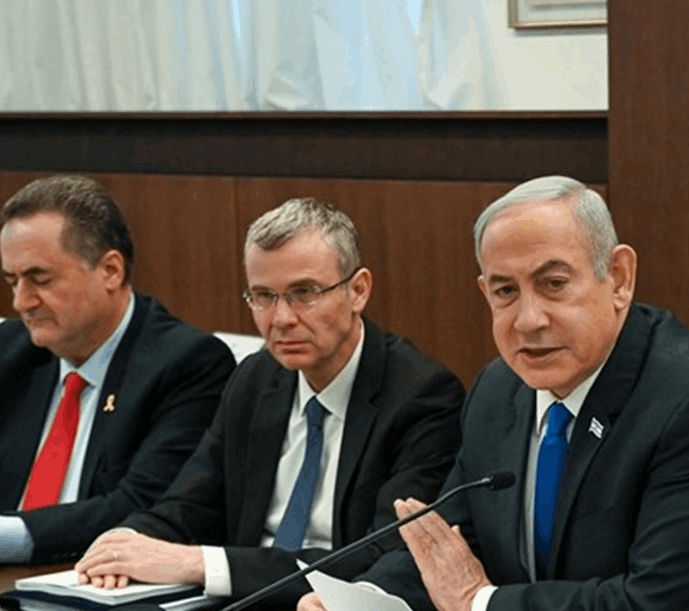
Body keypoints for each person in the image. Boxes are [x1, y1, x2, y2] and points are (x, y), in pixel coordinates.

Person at [301, 175, 689, 611]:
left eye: (554, 283)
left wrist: (480, 602)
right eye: (505, 291)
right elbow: (454, 543)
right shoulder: (498, 389)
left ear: (619, 278)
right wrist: (362, 597)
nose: (528, 320)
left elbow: (654, 602)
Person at [74, 198, 466, 608]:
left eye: (304, 293)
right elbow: (189, 502)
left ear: (358, 290)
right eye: (263, 296)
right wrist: (124, 542)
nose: (281, 319)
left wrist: (200, 564)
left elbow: (385, 554)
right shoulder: (255, 379)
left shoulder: (422, 396)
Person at [0, 175, 235, 569]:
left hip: (96, 576)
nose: (21, 302)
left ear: (110, 270)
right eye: (12, 281)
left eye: (40, 280)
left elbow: (141, 506)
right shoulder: (17, 349)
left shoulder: (187, 362)